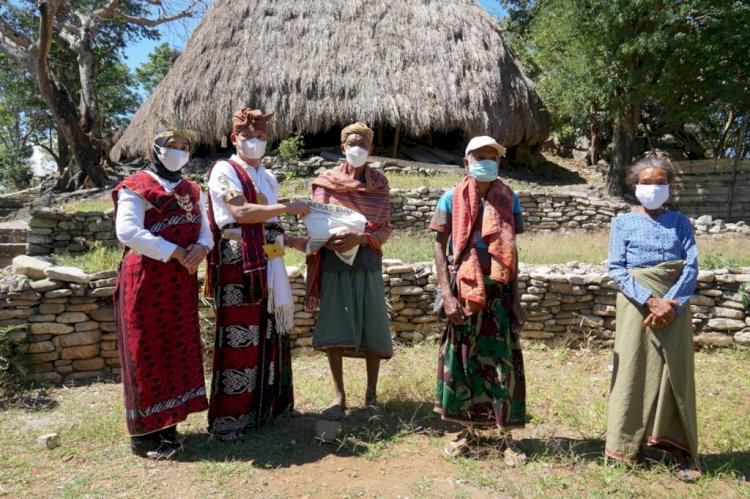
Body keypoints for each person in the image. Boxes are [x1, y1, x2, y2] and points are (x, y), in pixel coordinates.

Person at [205, 108, 309, 442]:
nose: (255, 142)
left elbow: (270, 226)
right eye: (248, 136)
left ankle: (270, 407)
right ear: (234, 138)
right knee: (240, 335)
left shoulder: (268, 176)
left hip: (268, 255)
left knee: (271, 333)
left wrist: (291, 240)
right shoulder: (224, 170)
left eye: (261, 137)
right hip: (238, 259)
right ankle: (230, 419)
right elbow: (241, 212)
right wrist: (286, 208)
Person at [113, 127, 212, 459]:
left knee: (175, 348)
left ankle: (170, 427)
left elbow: (206, 229)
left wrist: (201, 247)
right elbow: (128, 230)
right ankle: (144, 438)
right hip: (146, 280)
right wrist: (172, 251)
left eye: (185, 146)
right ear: (154, 148)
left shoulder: (191, 189)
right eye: (172, 146)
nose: (179, 151)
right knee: (147, 349)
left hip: (180, 280)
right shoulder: (136, 186)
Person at [429, 136, 526, 461]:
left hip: (499, 291)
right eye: (480, 156)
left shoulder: (509, 199)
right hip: (464, 291)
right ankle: (465, 434)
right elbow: (439, 248)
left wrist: (516, 300)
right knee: (464, 360)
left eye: (492, 156)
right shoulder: (450, 199)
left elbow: (512, 251)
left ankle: (506, 438)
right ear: (465, 161)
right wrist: (447, 294)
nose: (487, 161)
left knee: (502, 362)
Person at [606, 156, 701, 482]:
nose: (653, 188)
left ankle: (676, 449)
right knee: (633, 369)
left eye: (660, 183)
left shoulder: (681, 223)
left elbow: (691, 266)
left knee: (674, 373)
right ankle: (626, 447)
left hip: (675, 304)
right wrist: (649, 300)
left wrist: (671, 305)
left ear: (669, 188)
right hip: (636, 304)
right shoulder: (622, 223)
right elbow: (616, 267)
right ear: (635, 187)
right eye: (647, 183)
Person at [305, 122, 393, 421]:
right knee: (334, 323)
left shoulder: (379, 184)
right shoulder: (325, 182)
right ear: (343, 146)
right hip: (334, 261)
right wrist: (330, 240)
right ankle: (338, 396)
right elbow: (317, 220)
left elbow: (383, 227)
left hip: (367, 260)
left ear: (371, 148)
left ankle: (371, 396)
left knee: (372, 323)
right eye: (352, 142)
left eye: (363, 144)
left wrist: (361, 238)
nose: (358, 148)